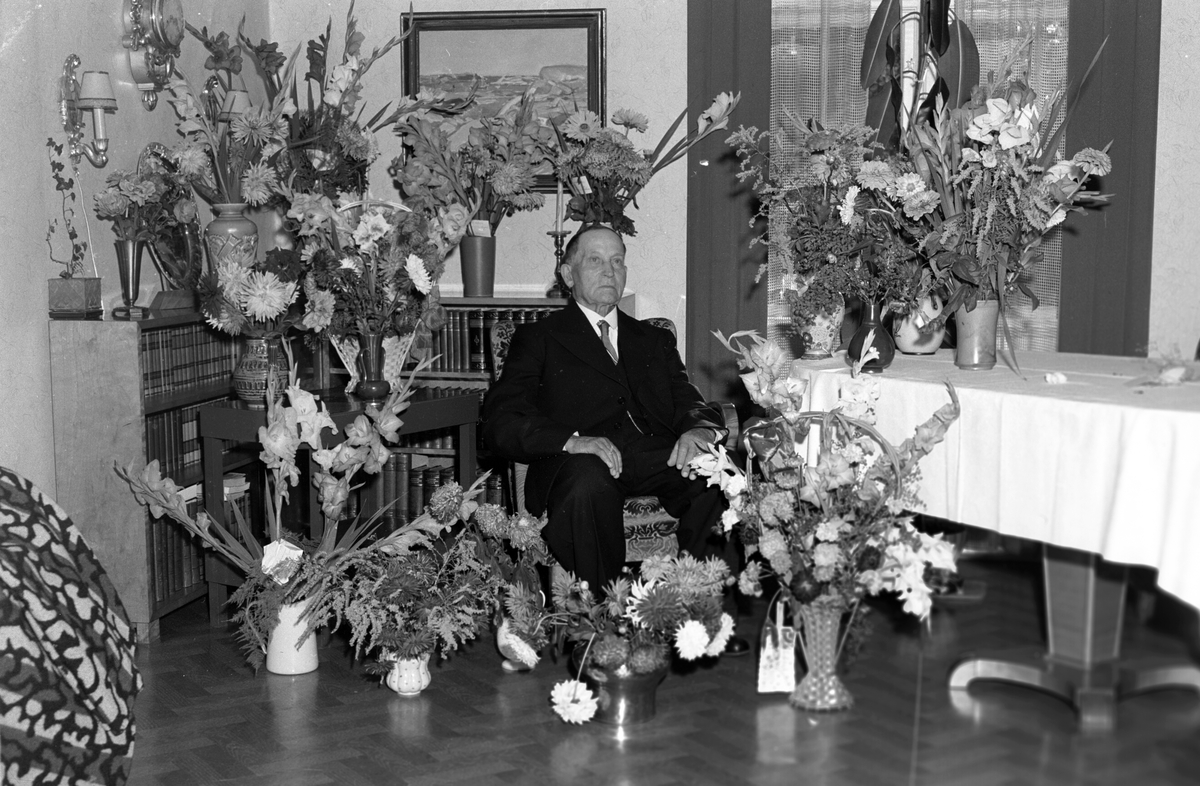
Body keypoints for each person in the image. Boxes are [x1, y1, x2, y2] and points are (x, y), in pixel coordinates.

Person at [483, 226, 742, 641]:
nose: (609, 270)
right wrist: (571, 440)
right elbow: (501, 419)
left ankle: (698, 610)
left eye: (617, 261)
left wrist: (698, 431)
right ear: (567, 275)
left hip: (653, 457)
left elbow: (688, 400)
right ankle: (603, 623)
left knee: (719, 469)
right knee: (589, 480)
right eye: (595, 260)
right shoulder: (538, 338)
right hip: (576, 464)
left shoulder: (654, 339)